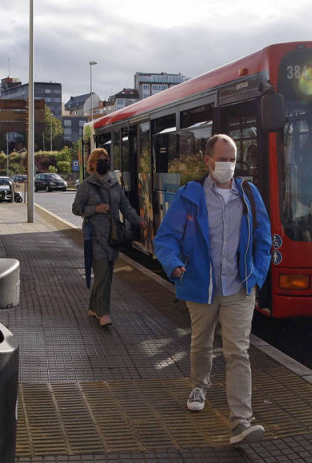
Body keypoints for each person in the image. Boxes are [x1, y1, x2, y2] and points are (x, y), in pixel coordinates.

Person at [153, 134, 273, 446]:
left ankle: (241, 422)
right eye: (223, 159)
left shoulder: (248, 194)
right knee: (201, 342)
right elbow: (165, 237)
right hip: (200, 286)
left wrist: (257, 274)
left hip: (239, 287)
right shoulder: (190, 195)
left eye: (233, 159)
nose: (229, 165)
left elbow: (264, 237)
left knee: (238, 352)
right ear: (208, 161)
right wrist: (175, 264)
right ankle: (199, 385)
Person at [72, 148, 147, 326]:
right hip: (95, 237)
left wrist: (138, 221)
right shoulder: (86, 186)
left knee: (106, 276)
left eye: (106, 159)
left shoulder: (114, 185)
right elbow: (76, 208)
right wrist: (94, 209)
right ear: (92, 164)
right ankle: (103, 313)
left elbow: (125, 206)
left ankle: (93, 306)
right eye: (100, 160)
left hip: (113, 237)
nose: (104, 162)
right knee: (103, 273)